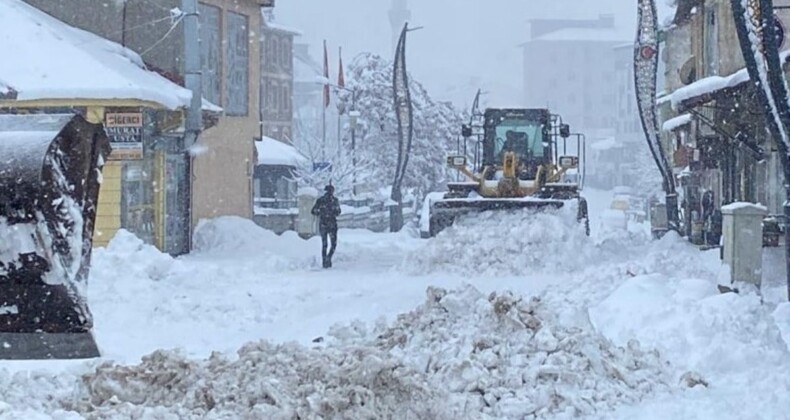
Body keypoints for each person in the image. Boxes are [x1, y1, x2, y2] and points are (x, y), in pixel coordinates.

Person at [311, 185, 342, 268]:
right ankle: (328, 257)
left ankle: (325, 261)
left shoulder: (320, 201)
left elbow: (313, 211)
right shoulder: (334, 201)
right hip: (332, 224)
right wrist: (332, 212)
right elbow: (338, 212)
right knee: (333, 244)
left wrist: (321, 212)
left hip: (323, 224)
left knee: (324, 244)